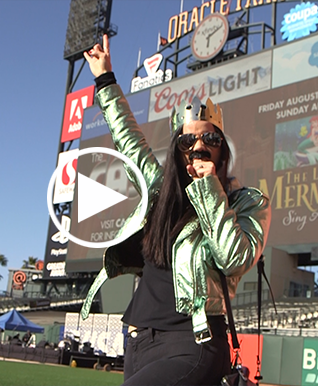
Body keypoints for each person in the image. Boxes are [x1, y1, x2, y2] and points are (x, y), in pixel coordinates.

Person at [80, 35, 271, 386]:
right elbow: (128, 137)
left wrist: (210, 190)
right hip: (138, 339)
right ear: (177, 151)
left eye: (210, 139)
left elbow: (233, 259)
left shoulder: (247, 202)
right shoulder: (159, 191)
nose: (199, 146)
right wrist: (104, 78)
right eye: (188, 141)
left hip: (193, 343)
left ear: (222, 151)